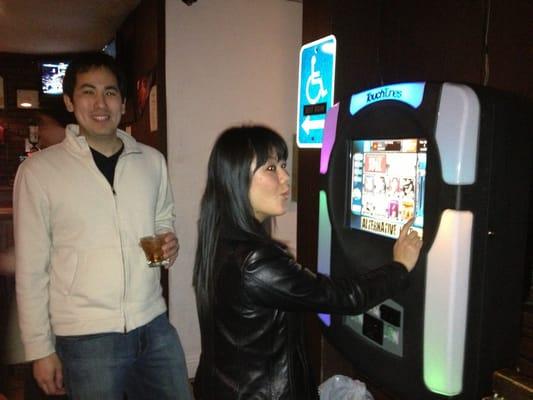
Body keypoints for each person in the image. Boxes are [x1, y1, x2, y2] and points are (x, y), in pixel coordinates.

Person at [192, 125, 423, 399]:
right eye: (270, 168)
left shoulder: (219, 237)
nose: (285, 177)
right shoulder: (255, 261)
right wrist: (399, 267)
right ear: (236, 180)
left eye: (283, 165)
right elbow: (344, 298)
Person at [13, 52, 192, 399]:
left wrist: (168, 242)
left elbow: (162, 219)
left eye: (110, 92)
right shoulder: (39, 173)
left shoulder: (152, 161)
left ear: (124, 103)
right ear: (69, 101)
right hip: (85, 337)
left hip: (153, 323)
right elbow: (31, 269)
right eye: (88, 91)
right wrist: (40, 349)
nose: (100, 103)